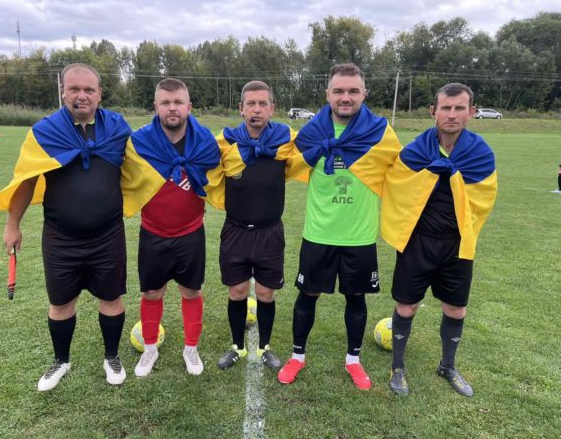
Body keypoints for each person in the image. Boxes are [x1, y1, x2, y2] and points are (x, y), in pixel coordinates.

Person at [0, 63, 133, 391]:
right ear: (63, 91)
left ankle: (111, 357)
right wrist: (12, 225)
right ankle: (61, 361)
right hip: (61, 237)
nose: (82, 95)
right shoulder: (45, 132)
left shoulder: (118, 128)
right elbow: (25, 181)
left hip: (108, 234)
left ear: (99, 94)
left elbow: (140, 165)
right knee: (61, 303)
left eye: (89, 89)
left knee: (111, 298)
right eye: (74, 88)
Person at [277, 63, 402, 388]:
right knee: (308, 294)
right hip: (318, 233)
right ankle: (297, 356)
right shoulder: (310, 134)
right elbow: (285, 166)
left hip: (359, 236)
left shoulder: (381, 134)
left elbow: (404, 170)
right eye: (339, 91)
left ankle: (353, 360)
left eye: (353, 91)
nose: (345, 97)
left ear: (364, 94)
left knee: (356, 298)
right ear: (327, 94)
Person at [381, 83, 498, 396]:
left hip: (456, 245)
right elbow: (397, 185)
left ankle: (447, 366)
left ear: (472, 112)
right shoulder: (416, 151)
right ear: (434, 111)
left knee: (456, 309)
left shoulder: (480, 154)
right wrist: (429, 174)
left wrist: (452, 173)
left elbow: (484, 198)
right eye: (446, 108)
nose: (452, 114)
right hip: (418, 242)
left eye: (460, 108)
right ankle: (397, 367)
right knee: (407, 306)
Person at [121, 78, 220, 377]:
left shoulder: (205, 142)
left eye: (178, 102)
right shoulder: (139, 142)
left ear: (189, 106)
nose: (172, 108)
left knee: (191, 291)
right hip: (153, 233)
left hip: (191, 232)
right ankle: (149, 348)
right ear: (156, 106)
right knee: (152, 293)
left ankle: (191, 348)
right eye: (165, 102)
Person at [209, 80, 306, 371]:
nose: (257, 109)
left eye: (263, 103)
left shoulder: (286, 139)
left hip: (269, 232)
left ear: (272, 108)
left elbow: (313, 146)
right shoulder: (225, 142)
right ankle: (237, 347)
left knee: (265, 293)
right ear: (241, 109)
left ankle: (264, 347)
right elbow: (201, 160)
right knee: (237, 292)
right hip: (235, 230)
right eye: (251, 103)